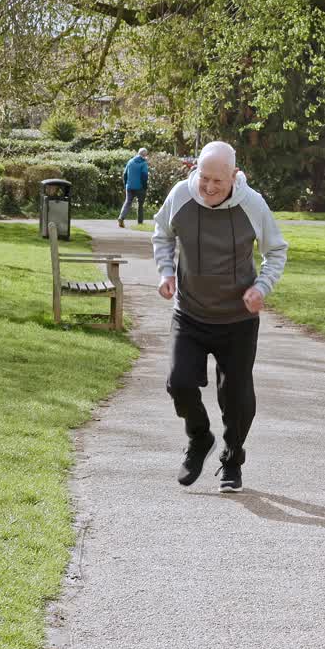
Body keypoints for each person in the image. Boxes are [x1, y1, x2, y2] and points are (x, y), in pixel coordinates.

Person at [152, 141, 289, 493]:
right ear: (194, 171)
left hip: (238, 320)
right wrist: (166, 272)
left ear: (235, 175)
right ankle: (199, 438)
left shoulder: (252, 204)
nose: (210, 188)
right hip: (191, 313)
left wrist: (261, 287)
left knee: (237, 398)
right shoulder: (181, 196)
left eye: (219, 181)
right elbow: (162, 234)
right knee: (178, 383)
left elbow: (276, 251)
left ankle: (232, 458)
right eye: (204, 178)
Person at [119, 148, 151, 228]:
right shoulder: (143, 163)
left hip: (129, 186)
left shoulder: (130, 161)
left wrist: (126, 184)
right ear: (145, 155)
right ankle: (140, 223)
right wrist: (144, 186)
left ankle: (121, 218)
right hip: (140, 187)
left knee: (127, 202)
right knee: (140, 204)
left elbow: (125, 174)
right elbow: (144, 176)